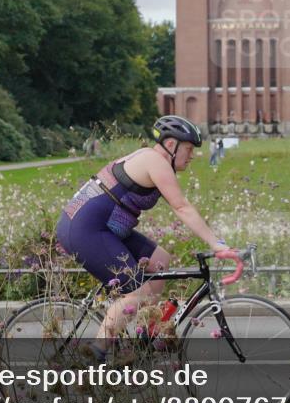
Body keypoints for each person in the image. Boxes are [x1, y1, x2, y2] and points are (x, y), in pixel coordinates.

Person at [56, 115, 231, 360]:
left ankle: (145, 336)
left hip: (101, 227)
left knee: (159, 259)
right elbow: (181, 207)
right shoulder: (154, 161)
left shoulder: (151, 158)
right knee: (138, 292)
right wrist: (217, 243)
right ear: (171, 145)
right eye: (189, 149)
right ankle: (94, 354)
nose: (192, 155)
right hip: (85, 229)